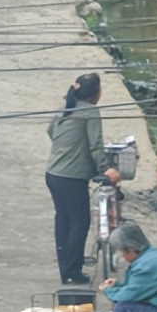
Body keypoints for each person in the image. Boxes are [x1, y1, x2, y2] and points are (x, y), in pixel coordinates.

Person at [44, 72, 120, 285]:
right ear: (96, 93)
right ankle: (73, 270)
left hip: (53, 173)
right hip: (71, 177)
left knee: (63, 219)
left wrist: (69, 148)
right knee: (80, 221)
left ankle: (66, 269)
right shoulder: (91, 111)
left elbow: (51, 131)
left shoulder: (66, 106)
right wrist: (106, 169)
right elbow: (96, 145)